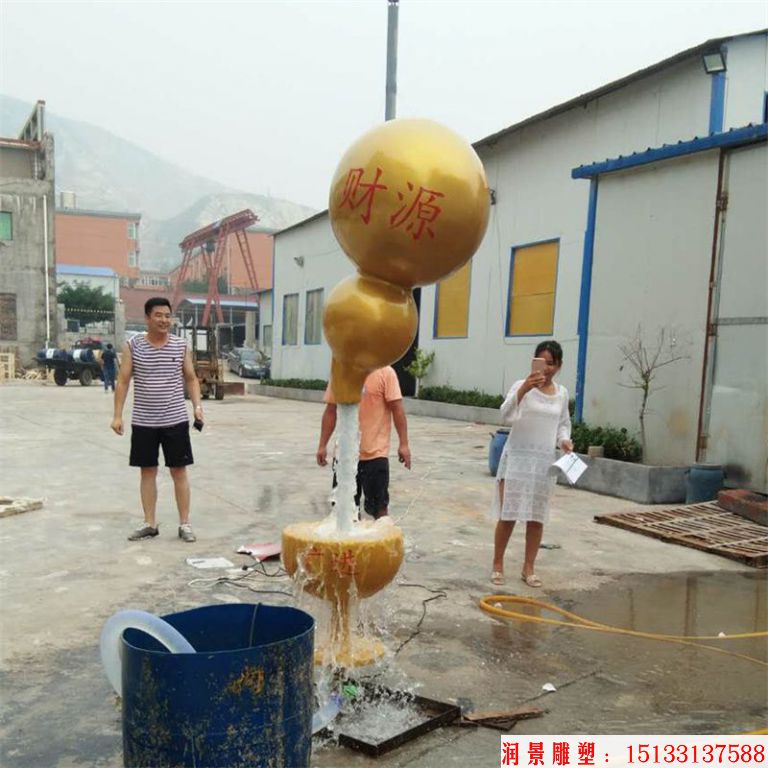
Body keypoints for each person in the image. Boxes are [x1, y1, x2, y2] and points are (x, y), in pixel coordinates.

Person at [111, 297, 204, 542]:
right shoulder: (133, 346)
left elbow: (191, 378)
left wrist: (197, 406)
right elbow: (122, 380)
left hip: (175, 420)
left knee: (179, 471)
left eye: (167, 316)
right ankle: (150, 523)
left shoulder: (180, 345)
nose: (164, 320)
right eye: (158, 315)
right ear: (147, 318)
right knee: (147, 471)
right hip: (144, 421)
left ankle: (185, 524)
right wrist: (117, 415)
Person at [491, 340, 573, 588]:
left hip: (542, 462)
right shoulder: (521, 385)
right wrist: (524, 389)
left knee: (536, 518)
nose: (546, 368)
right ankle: (497, 564)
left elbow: (563, 423)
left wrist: (565, 441)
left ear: (559, 366)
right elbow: (505, 415)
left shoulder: (562, 393)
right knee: (509, 514)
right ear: (533, 361)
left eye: (551, 363)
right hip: (516, 459)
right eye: (542, 362)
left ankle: (529, 568)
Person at [316, 366, 411, 519]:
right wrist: (322, 445)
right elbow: (330, 410)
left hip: (375, 454)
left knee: (379, 509)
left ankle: (382, 541)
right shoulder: (341, 371)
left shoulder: (385, 372)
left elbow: (397, 409)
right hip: (345, 456)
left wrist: (404, 444)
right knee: (343, 513)